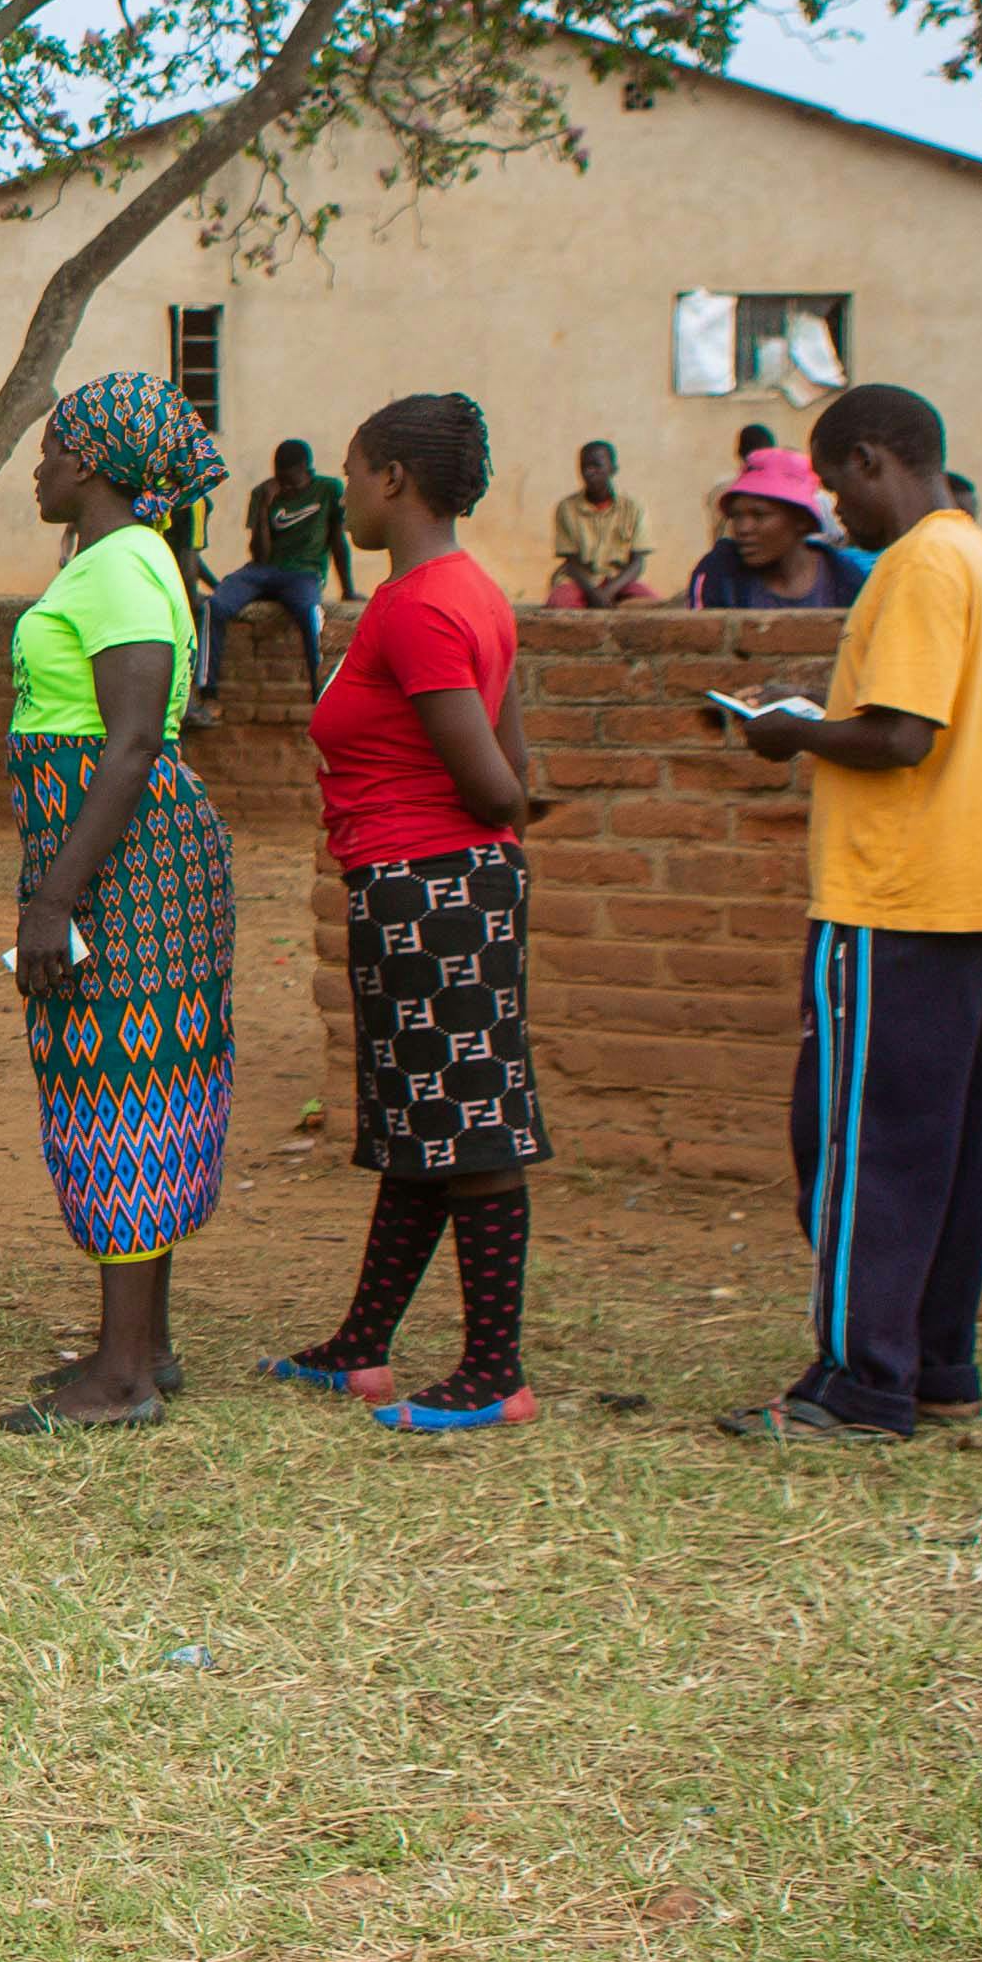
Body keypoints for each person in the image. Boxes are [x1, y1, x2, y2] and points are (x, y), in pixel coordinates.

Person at [720, 384, 982, 1443]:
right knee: (936, 1147)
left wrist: (792, 734)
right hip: (969, 888)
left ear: (868, 460)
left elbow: (900, 736)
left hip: (893, 893)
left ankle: (858, 1382)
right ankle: (937, 1363)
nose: (830, 511)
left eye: (830, 483)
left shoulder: (913, 566)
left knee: (858, 1147)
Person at [270, 396, 551, 1434]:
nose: (342, 490)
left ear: (394, 478)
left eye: (350, 468)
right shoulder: (469, 593)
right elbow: (515, 758)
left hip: (433, 885)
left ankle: (494, 1370)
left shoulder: (418, 607)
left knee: (470, 1129)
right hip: (428, 882)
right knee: (422, 1123)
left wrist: (483, 824)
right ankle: (361, 1346)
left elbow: (494, 783)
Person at [6, 372, 239, 1433]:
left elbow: (134, 737)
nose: (40, 467)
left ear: (93, 464)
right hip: (121, 851)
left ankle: (122, 1378)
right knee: (137, 1079)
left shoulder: (118, 567)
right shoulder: (130, 560)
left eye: (53, 449)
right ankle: (141, 1347)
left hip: (120, 861)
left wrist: (55, 894)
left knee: (120, 1089)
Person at [195, 436, 352, 711]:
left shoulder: (328, 490)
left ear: (307, 469)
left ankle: (322, 696)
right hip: (262, 571)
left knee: (310, 612)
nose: (287, 487)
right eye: (282, 479)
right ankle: (208, 695)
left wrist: (347, 588)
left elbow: (338, 543)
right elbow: (260, 555)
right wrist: (265, 508)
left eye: (292, 480)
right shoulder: (263, 493)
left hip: (304, 573)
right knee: (214, 606)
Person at [685, 448, 870, 611]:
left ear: (802, 521)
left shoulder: (845, 580)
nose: (743, 528)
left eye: (759, 515)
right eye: (737, 516)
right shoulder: (719, 573)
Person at [548, 441, 651, 608]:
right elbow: (571, 563)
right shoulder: (567, 508)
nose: (589, 472)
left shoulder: (633, 508)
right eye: (584, 466)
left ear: (613, 469)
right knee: (559, 603)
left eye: (596, 465)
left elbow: (637, 562)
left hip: (620, 581)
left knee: (649, 606)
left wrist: (608, 591)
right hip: (580, 581)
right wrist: (594, 594)